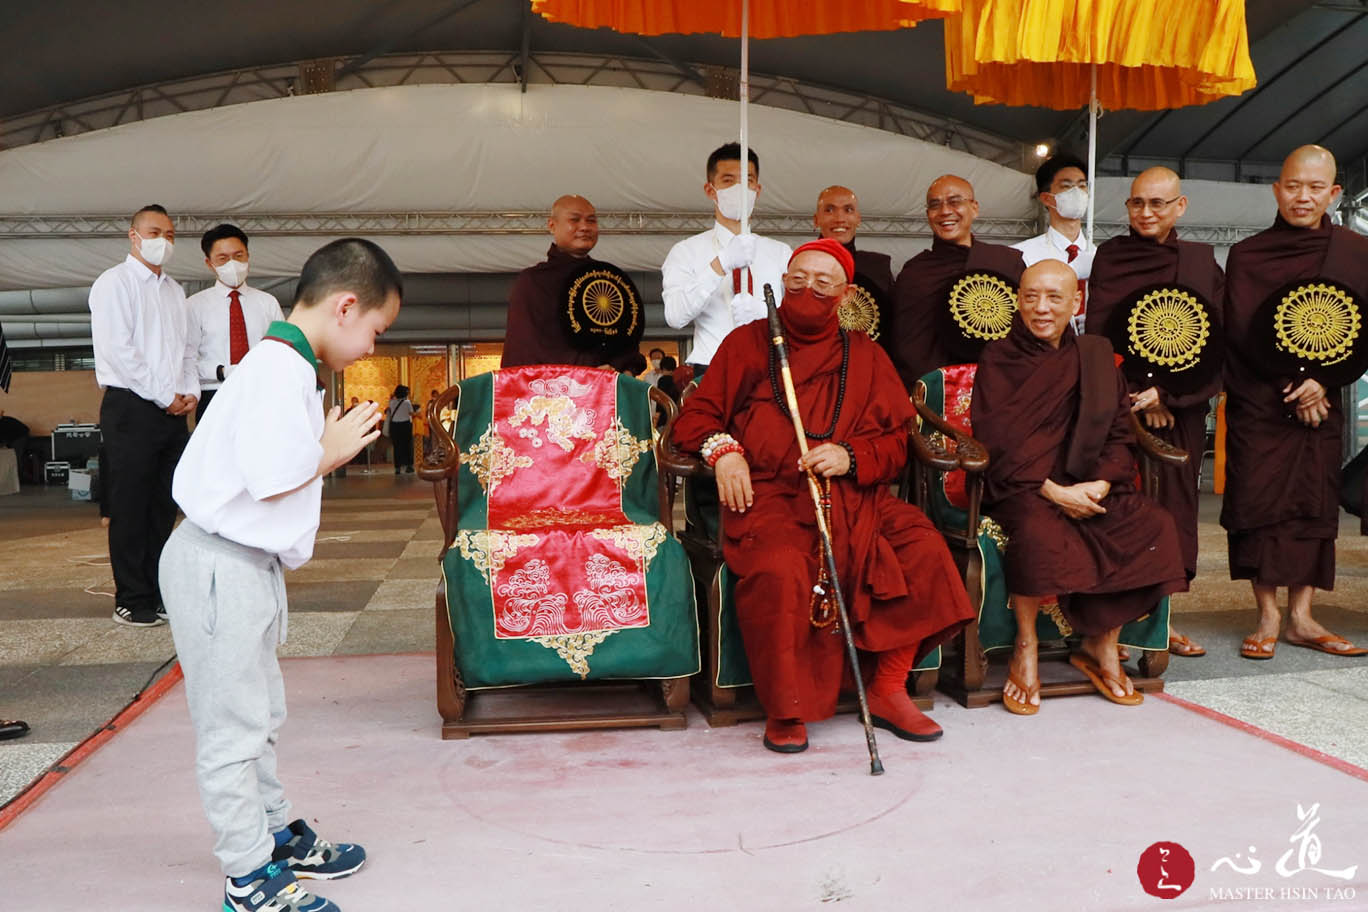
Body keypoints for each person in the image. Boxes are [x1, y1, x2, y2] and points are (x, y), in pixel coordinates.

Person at [159, 237, 401, 912]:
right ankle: (246, 875)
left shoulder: (287, 364)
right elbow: (271, 478)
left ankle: (271, 833)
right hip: (218, 563)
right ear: (346, 306)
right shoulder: (277, 369)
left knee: (260, 712)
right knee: (233, 727)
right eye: (378, 331)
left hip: (242, 562)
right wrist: (326, 452)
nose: (373, 348)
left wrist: (316, 445)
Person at [672, 239, 974, 752]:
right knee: (783, 568)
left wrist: (851, 456)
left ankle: (886, 687)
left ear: (846, 293)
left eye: (823, 282)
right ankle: (786, 708)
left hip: (854, 498)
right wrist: (724, 452)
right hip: (770, 497)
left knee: (923, 546)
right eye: (797, 278)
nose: (807, 289)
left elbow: (897, 443)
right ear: (783, 280)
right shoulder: (748, 344)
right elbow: (696, 416)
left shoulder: (867, 355)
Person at [971, 260, 1187, 714]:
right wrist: (1053, 491)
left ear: (1076, 302)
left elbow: (1117, 432)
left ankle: (1102, 644)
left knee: (1151, 525)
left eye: (1054, 297)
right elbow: (995, 439)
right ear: (1017, 301)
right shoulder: (1000, 358)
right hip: (1023, 485)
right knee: (1037, 532)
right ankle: (1025, 647)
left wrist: (1102, 484)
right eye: (1030, 296)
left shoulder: (1094, 355)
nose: (1041, 308)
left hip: (1088, 481)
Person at [1221, 144, 1368, 660]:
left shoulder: (1355, 251)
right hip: (1261, 402)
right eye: (1293, 186)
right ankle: (1267, 616)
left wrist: (1322, 381)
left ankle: (1303, 616)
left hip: (1322, 405)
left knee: (1312, 504)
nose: (1302, 197)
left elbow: (1360, 329)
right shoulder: (1249, 254)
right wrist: (1295, 382)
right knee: (1258, 506)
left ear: (1334, 193)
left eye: (1315, 188)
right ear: (1277, 189)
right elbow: (1239, 330)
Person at [1086, 167, 1223, 659]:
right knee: (1120, 513)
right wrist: (1133, 394)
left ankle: (1164, 622)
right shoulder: (1111, 256)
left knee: (1175, 513)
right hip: (1118, 411)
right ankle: (1115, 625)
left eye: (1158, 204)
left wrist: (1167, 393)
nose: (1146, 213)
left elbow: (1213, 340)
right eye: (1137, 203)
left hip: (1178, 412)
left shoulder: (1200, 261)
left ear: (1180, 207)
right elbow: (1098, 336)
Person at [89, 204, 198, 628]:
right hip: (131, 407)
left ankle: (157, 590)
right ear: (133, 235)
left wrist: (187, 390)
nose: (163, 241)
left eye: (170, 235)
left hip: (171, 409)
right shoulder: (113, 285)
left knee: (163, 505)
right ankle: (130, 597)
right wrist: (162, 395)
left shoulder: (174, 290)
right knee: (131, 505)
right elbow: (121, 352)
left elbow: (186, 349)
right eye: (155, 232)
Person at [662, 143, 792, 375]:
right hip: (712, 368)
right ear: (711, 190)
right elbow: (675, 316)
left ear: (758, 190)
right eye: (729, 180)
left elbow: (798, 316)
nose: (740, 189)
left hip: (770, 367)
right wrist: (719, 265)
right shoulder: (685, 251)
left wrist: (766, 314)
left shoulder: (781, 253)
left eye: (748, 181)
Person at [889, 174, 1026, 389]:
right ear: (927, 214)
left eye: (955, 202)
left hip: (998, 388)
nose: (945, 211)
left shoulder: (1006, 263)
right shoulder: (915, 272)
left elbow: (1023, 331)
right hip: (934, 393)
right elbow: (907, 345)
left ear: (974, 208)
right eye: (935, 205)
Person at [500, 195, 642, 371]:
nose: (584, 227)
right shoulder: (533, 282)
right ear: (552, 225)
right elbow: (525, 350)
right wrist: (585, 372)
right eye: (574, 220)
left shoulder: (609, 278)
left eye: (591, 221)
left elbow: (625, 340)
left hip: (606, 390)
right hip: (553, 392)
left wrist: (620, 368)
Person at [188, 224, 285, 421]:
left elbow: (283, 352)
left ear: (248, 256)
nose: (232, 263)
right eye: (223, 258)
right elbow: (186, 359)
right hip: (214, 393)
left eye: (239, 255)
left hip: (261, 394)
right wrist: (222, 371)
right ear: (209, 263)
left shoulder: (267, 302)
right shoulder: (194, 305)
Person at [1013, 154, 1096, 334]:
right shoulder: (1021, 255)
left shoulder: (1101, 257)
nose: (1077, 192)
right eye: (1066, 186)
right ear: (1046, 198)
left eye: (1082, 186)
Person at [813, 185, 893, 318]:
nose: (839, 219)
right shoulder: (801, 267)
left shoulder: (878, 267)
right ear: (816, 220)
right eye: (829, 210)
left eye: (848, 210)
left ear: (858, 219)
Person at [386, 384, 415, 474]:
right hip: (405, 425)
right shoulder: (407, 402)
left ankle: (397, 468)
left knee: (397, 447)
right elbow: (411, 413)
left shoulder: (392, 402)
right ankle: (409, 466)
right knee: (407, 446)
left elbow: (389, 411)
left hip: (395, 426)